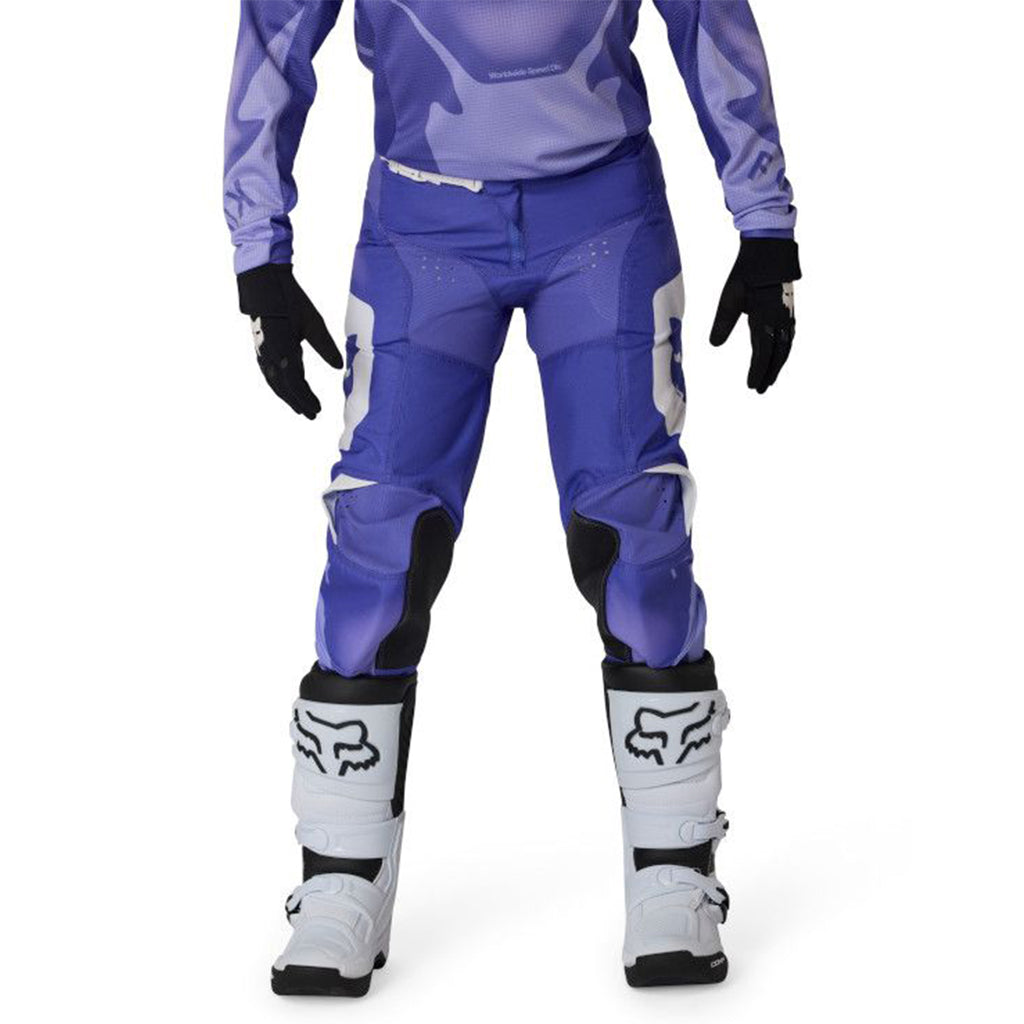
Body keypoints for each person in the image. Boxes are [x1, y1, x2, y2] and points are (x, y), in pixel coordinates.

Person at [224, 0, 800, 996]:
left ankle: (672, 867)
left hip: (604, 220)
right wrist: (259, 255)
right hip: (421, 226)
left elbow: (707, 15)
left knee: (634, 532)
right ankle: (338, 878)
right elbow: (274, 31)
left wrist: (765, 223)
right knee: (379, 535)